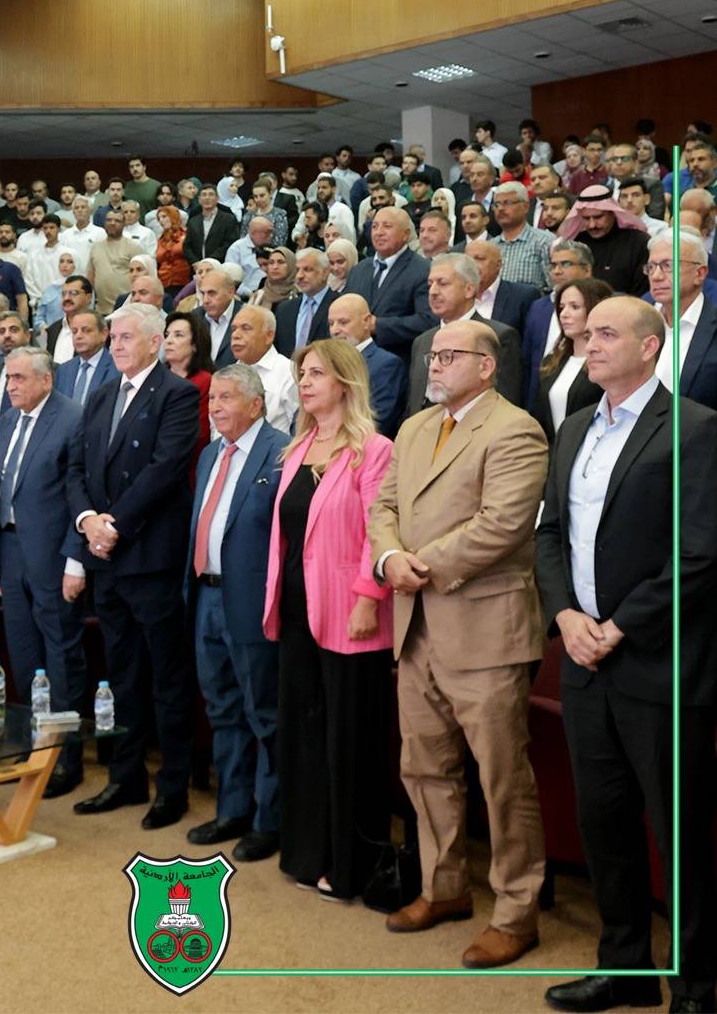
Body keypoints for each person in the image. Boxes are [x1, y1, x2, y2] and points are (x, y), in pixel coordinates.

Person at [535, 298, 717, 1014]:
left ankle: (697, 985)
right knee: (603, 820)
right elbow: (549, 534)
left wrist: (617, 627)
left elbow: (698, 552)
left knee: (678, 834)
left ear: (650, 347)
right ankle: (625, 967)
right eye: (586, 335)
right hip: (584, 660)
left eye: (606, 333)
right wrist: (566, 615)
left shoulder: (695, 428)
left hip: (658, 663)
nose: (590, 344)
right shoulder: (575, 426)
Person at [368, 320, 548, 969]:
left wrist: (418, 564)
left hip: (484, 630)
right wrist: (388, 557)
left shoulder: (515, 430)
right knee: (424, 768)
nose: (435, 365)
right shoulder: (415, 427)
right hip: (416, 624)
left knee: (502, 779)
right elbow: (383, 507)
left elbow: (503, 524)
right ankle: (443, 888)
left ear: (486, 365)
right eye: (433, 355)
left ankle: (516, 912)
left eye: (449, 356)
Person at [263, 339, 394, 901]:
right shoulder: (297, 448)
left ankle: (350, 865)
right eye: (302, 374)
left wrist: (368, 596)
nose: (305, 383)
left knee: (349, 741)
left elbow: (379, 531)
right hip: (297, 612)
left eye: (316, 373)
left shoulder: (374, 450)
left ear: (345, 381)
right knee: (305, 736)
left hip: (350, 613)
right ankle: (307, 851)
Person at [64, 303, 200, 828]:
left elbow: (165, 469)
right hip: (105, 558)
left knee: (167, 676)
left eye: (125, 337)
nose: (116, 344)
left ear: (155, 342)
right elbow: (76, 468)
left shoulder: (177, 394)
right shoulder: (101, 395)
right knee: (121, 673)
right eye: (113, 337)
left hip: (149, 557)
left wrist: (113, 525)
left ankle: (173, 788)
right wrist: (87, 521)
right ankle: (125, 778)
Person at [185, 365, 286, 860]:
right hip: (206, 596)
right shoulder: (210, 453)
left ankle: (270, 820)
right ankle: (232, 809)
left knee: (263, 712)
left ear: (256, 404)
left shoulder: (281, 451)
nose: (216, 407)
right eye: (213, 399)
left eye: (226, 398)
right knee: (222, 708)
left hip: (251, 601)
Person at [0, 348, 87, 797]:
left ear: (47, 380)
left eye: (20, 378)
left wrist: (74, 560)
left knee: (61, 657)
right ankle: (33, 748)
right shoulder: (6, 420)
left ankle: (64, 759)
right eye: (9, 378)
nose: (11, 386)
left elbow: (80, 493)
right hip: (9, 550)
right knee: (25, 656)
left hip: (53, 556)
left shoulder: (72, 418)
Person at [406, 254, 524, 417]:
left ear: (469, 289)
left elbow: (506, 405)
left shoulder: (498, 336)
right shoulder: (422, 341)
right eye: (430, 284)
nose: (433, 292)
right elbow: (413, 404)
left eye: (443, 283)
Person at [343, 208, 433, 363]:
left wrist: (378, 325)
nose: (379, 232)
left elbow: (427, 321)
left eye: (387, 226)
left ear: (405, 234)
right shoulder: (358, 270)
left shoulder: (422, 270)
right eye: (375, 226)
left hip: (398, 362)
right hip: (353, 362)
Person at [532, 278, 613, 439]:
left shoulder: (608, 363)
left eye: (574, 307)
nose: (564, 314)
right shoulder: (551, 362)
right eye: (561, 307)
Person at [646, 229, 717, 410]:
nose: (656, 276)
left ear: (699, 273)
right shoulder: (636, 321)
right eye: (651, 267)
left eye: (668, 265)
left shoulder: (712, 324)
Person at [522, 242, 595, 406]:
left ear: (586, 269)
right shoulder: (538, 307)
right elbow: (527, 360)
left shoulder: (603, 304)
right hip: (540, 400)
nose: (557, 271)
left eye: (565, 264)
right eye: (553, 265)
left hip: (583, 396)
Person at [327, 293, 408, 438]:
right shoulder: (324, 363)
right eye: (331, 323)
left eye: (343, 322)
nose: (335, 330)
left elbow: (378, 421)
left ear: (366, 321)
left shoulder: (386, 364)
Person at [557, 185, 650, 296]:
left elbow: (643, 290)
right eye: (586, 218)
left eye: (598, 217)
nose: (592, 225)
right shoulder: (576, 243)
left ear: (612, 213)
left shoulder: (637, 242)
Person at [228, 304, 299, 436]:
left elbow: (301, 428)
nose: (235, 335)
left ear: (269, 336)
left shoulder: (289, 372)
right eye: (233, 329)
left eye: (246, 328)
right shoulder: (227, 375)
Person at [163, 311, 215, 462]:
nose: (168, 341)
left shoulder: (205, 381)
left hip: (186, 463)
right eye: (167, 335)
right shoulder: (155, 378)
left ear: (195, 345)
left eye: (178, 335)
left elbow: (200, 435)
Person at [465, 240, 540, 334]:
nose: (471, 265)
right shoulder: (455, 295)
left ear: (498, 265)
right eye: (467, 260)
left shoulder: (523, 296)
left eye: (479, 259)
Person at [274, 248, 337, 357]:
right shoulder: (284, 309)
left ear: (325, 273)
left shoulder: (338, 305)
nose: (299, 276)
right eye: (297, 270)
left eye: (307, 270)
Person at [491, 182, 554, 291]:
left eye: (507, 203)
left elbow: (554, 288)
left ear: (526, 207)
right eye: (497, 204)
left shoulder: (544, 241)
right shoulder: (491, 246)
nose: (500, 208)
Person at [54, 309, 118, 404]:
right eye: (74, 332)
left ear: (104, 334)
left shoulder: (117, 367)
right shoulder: (64, 370)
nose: (78, 336)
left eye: (86, 330)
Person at [0, 313, 33, 416]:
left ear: (27, 335)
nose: (7, 335)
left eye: (14, 330)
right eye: (1, 331)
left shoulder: (43, 368)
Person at [87, 209, 136, 315]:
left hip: (126, 310)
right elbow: (90, 277)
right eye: (109, 220)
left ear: (124, 224)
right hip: (101, 310)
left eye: (117, 221)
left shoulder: (133, 247)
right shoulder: (96, 247)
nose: (112, 223)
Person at [193, 267, 242, 369]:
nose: (205, 300)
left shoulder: (246, 316)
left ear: (231, 291)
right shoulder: (195, 317)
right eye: (203, 293)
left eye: (212, 293)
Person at [186, 184, 241, 264]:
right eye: (204, 195)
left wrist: (209, 262)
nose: (207, 198)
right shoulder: (193, 221)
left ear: (217, 198)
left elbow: (229, 243)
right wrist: (195, 262)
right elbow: (187, 246)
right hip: (197, 266)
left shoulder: (229, 219)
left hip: (220, 265)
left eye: (211, 194)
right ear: (199, 199)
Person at [155, 204, 191, 299]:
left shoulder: (187, 235)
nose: (161, 220)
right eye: (159, 218)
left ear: (173, 216)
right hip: (164, 283)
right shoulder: (160, 240)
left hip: (183, 282)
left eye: (164, 216)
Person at [248, 246, 296, 312]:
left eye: (280, 262)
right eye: (271, 262)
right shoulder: (258, 296)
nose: (275, 267)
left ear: (291, 265)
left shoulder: (300, 294)